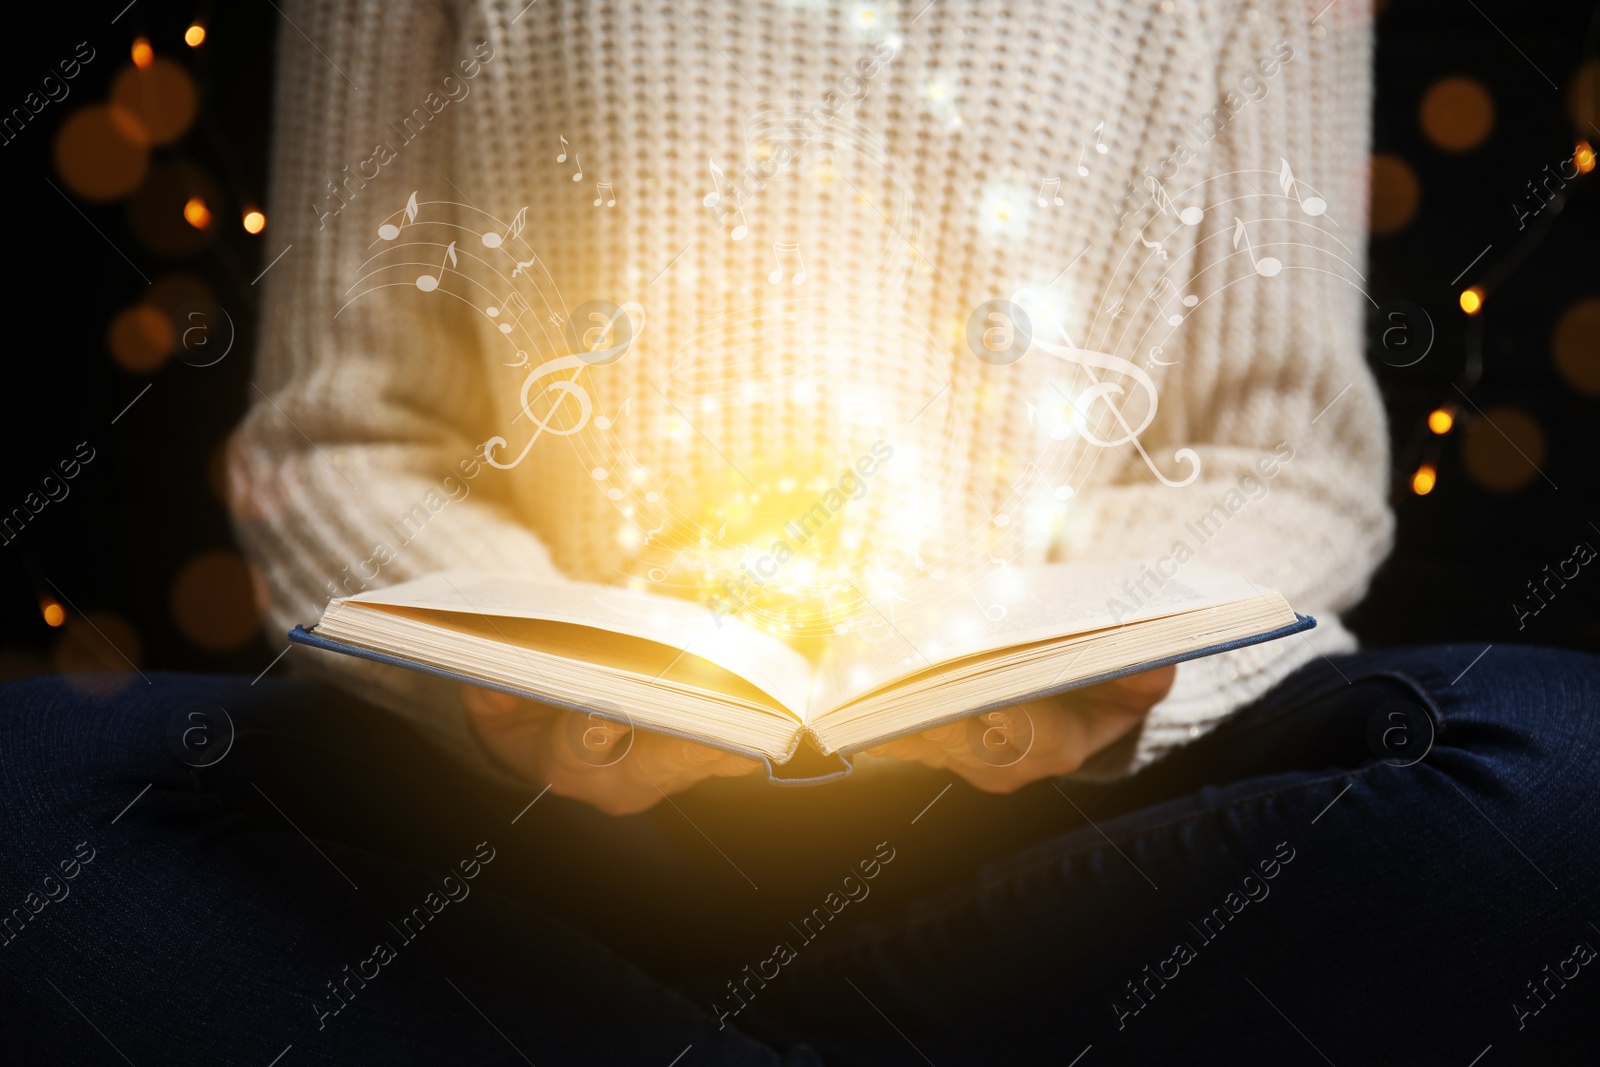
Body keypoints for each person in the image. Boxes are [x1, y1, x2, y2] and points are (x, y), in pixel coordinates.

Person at [2, 1, 1596, 1063]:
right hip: (539, 828)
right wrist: (535, 667)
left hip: (1056, 838)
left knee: (1561, 769)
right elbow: (346, 435)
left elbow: (1282, 452)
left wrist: (1075, 662)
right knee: (28, 789)